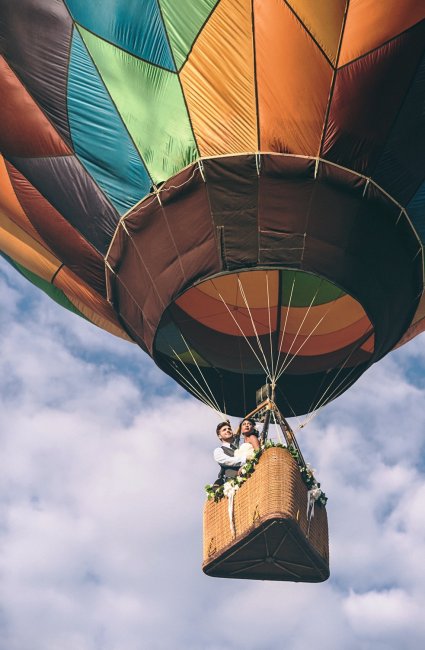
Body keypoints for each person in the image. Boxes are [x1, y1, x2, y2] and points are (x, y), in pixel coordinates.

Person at [213, 421, 247, 486]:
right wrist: (245, 460)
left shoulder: (240, 448)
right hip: (232, 484)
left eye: (229, 429)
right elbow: (227, 461)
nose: (228, 430)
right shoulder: (219, 450)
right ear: (219, 436)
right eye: (224, 430)